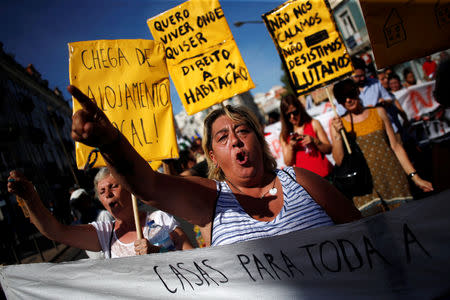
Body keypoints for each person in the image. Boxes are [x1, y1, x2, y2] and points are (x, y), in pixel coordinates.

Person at [67, 85, 361, 247]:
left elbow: (367, 233)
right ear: (212, 156)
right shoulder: (210, 200)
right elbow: (149, 186)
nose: (235, 140)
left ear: (259, 140)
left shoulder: (301, 180)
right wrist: (109, 143)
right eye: (223, 137)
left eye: (242, 131)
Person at [7, 167, 193, 258]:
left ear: (129, 189)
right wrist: (31, 199)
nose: (108, 194)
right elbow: (56, 232)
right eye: (102, 192)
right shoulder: (105, 233)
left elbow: (192, 256)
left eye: (113, 186)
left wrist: (158, 253)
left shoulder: (160, 218)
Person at [330, 79, 433, 217]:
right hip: (365, 189)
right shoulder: (338, 125)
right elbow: (338, 160)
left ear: (357, 93)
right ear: (339, 102)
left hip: (393, 179)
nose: (348, 100)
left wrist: (415, 177)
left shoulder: (379, 112)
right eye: (343, 98)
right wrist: (337, 135)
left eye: (350, 94)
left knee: (409, 223)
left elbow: (396, 146)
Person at [279, 94, 333, 178]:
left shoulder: (313, 123)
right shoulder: (284, 135)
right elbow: (288, 163)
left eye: (295, 112)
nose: (292, 117)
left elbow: (328, 149)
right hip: (307, 180)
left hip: (325, 174)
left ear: (300, 109)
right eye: (288, 115)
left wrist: (314, 141)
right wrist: (291, 147)